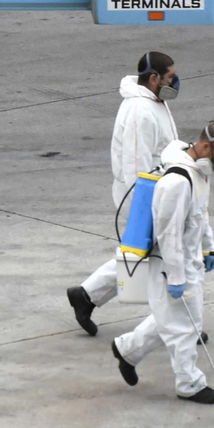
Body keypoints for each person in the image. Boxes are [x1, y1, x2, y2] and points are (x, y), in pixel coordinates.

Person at [111, 122, 214, 404]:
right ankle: (189, 383)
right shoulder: (176, 182)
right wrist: (176, 277)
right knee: (184, 326)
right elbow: (169, 234)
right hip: (172, 265)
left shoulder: (200, 174)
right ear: (205, 147)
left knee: (172, 318)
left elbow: (201, 215)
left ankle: (127, 350)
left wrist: (208, 248)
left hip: (190, 260)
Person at [66, 52, 179, 337]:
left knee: (144, 255)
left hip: (157, 191)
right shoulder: (141, 110)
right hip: (145, 194)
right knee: (162, 256)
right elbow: (137, 164)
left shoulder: (153, 101)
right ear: (153, 78)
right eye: (170, 77)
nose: (174, 82)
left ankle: (86, 295)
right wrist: (147, 206)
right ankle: (176, 322)